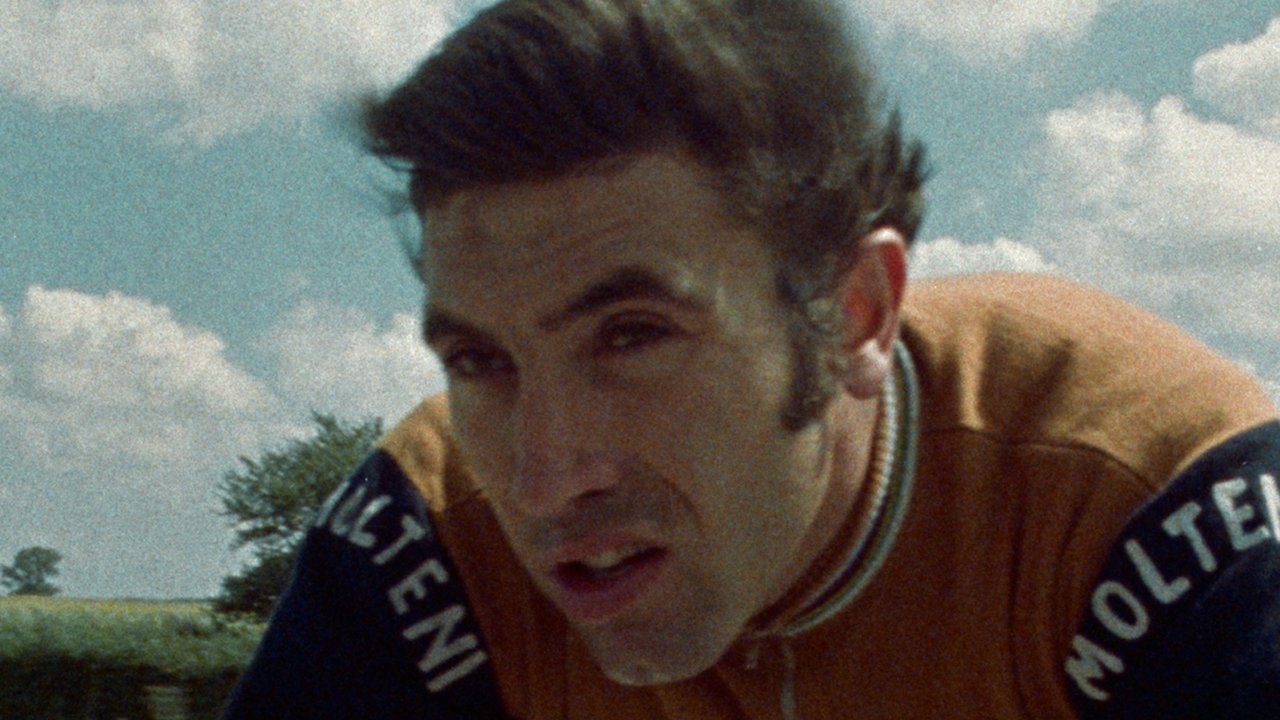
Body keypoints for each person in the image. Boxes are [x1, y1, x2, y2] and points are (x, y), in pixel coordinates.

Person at [221, 0, 1280, 718]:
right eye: (480, 360)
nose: (543, 481)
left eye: (631, 337)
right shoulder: (427, 534)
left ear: (855, 315)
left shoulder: (1147, 498)